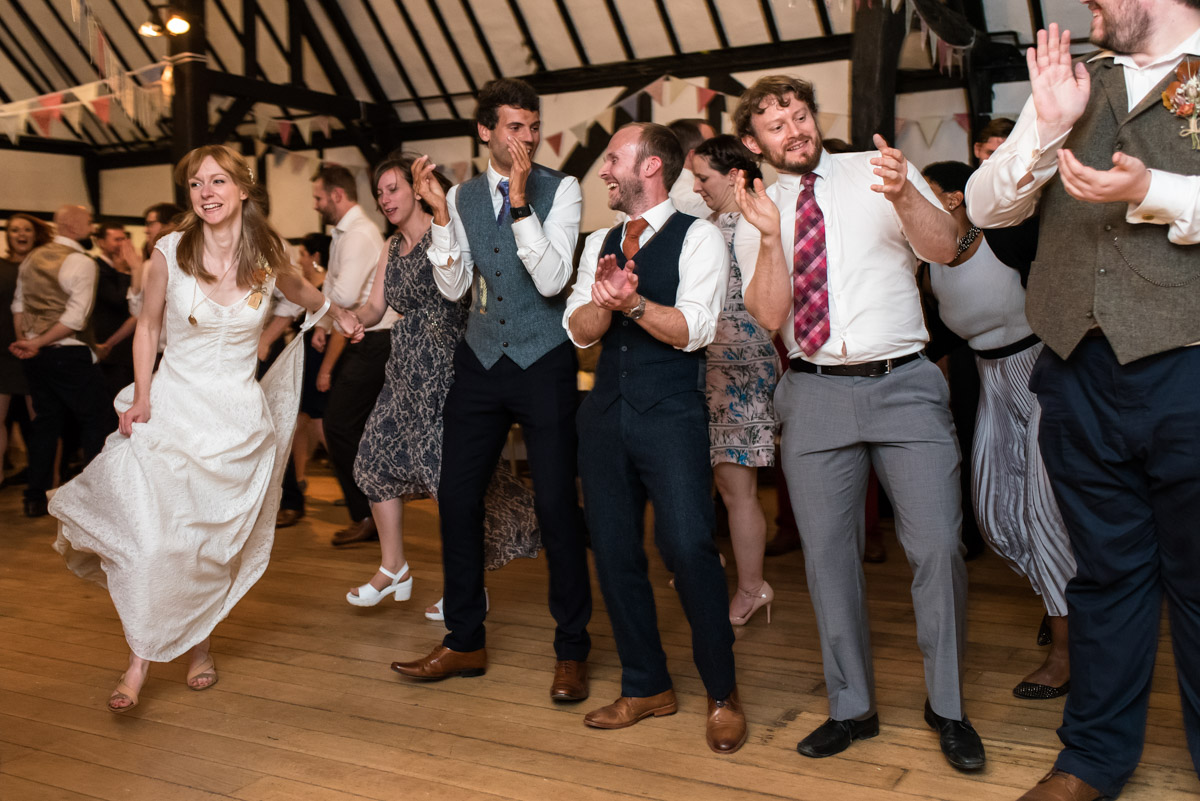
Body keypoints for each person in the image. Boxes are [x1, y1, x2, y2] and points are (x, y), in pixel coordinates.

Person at [966, 4, 1200, 798]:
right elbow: (987, 209)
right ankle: (1092, 758)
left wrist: (1154, 188)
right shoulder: (1070, 84)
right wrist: (1044, 129)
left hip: (1188, 365)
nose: (1089, 5)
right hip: (1076, 367)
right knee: (1101, 574)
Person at [49, 144, 364, 714]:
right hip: (171, 408)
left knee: (206, 549)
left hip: (234, 424)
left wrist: (338, 312)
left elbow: (300, 293)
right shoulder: (169, 251)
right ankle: (139, 662)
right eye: (196, 184)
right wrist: (143, 396)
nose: (206, 193)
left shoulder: (267, 254)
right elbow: (148, 328)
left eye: (217, 181)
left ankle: (199, 646)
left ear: (242, 188)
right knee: (154, 540)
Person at [732, 75, 985, 772]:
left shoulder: (880, 169)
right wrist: (769, 239)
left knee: (939, 546)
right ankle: (851, 707)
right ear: (754, 143)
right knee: (827, 558)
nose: (794, 129)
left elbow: (947, 247)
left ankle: (948, 706)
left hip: (904, 383)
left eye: (799, 114)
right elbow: (770, 315)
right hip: (813, 394)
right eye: (776, 124)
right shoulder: (757, 209)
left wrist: (905, 193)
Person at [393, 78, 592, 703]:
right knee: (456, 499)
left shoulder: (564, 189)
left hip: (544, 359)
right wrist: (441, 217)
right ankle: (464, 640)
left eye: (533, 126)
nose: (527, 137)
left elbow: (553, 279)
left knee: (556, 505)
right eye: (514, 126)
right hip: (479, 359)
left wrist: (524, 202)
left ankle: (572, 649)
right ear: (485, 131)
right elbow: (454, 289)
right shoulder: (461, 196)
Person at [565, 122, 744, 753]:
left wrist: (635, 306)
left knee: (690, 547)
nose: (603, 170)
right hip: (603, 415)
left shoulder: (699, 236)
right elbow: (579, 331)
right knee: (614, 552)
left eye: (613, 158)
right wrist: (606, 302)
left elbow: (694, 330)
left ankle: (722, 692)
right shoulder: (600, 242)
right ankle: (646, 685)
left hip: (670, 415)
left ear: (650, 167)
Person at [347, 151, 540, 608]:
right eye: (379, 193)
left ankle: (469, 588)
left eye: (393, 188)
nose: (385, 199)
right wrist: (351, 318)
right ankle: (393, 567)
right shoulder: (390, 247)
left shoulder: (450, 230)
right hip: (403, 373)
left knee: (449, 480)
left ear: (418, 189)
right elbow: (375, 308)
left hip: (450, 368)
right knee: (372, 461)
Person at [923, 160, 1075, 699]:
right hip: (993, 385)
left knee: (1045, 514)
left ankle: (1067, 653)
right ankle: (1064, 602)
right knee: (995, 515)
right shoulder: (931, 262)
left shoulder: (1005, 238)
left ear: (953, 199)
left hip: (1043, 379)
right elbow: (938, 337)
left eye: (924, 193)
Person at [691, 135, 780, 626]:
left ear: (733, 176)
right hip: (704, 367)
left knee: (735, 488)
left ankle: (752, 588)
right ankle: (707, 564)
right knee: (706, 481)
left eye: (703, 177)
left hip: (740, 369)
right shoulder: (705, 226)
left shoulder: (757, 221)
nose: (696, 187)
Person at [10, 205, 115, 518]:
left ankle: (35, 497)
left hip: (36, 355)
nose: (92, 226)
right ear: (72, 225)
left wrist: (28, 341)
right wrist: (37, 343)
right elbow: (75, 318)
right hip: (67, 352)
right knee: (98, 419)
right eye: (88, 221)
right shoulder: (81, 262)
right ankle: (94, 497)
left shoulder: (33, 257)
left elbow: (19, 305)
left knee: (45, 423)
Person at [310, 164, 388, 547]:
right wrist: (323, 326)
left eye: (318, 197)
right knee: (348, 427)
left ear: (337, 195)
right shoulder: (342, 233)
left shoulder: (358, 234)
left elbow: (342, 295)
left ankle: (369, 513)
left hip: (375, 339)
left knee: (339, 425)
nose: (315, 204)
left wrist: (318, 314)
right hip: (360, 336)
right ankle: (372, 511)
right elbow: (331, 287)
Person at [1, 214, 48, 482]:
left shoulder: (45, 266)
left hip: (37, 350)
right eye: (15, 230)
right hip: (3, 351)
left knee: (41, 422)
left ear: (35, 234)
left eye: (26, 229)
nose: (21, 234)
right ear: (8, 236)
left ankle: (43, 482)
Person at [91, 221, 140, 400]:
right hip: (106, 343)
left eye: (124, 239)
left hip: (127, 345)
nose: (122, 244)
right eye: (116, 240)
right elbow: (118, 300)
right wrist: (122, 272)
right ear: (101, 242)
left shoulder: (127, 266)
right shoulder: (96, 267)